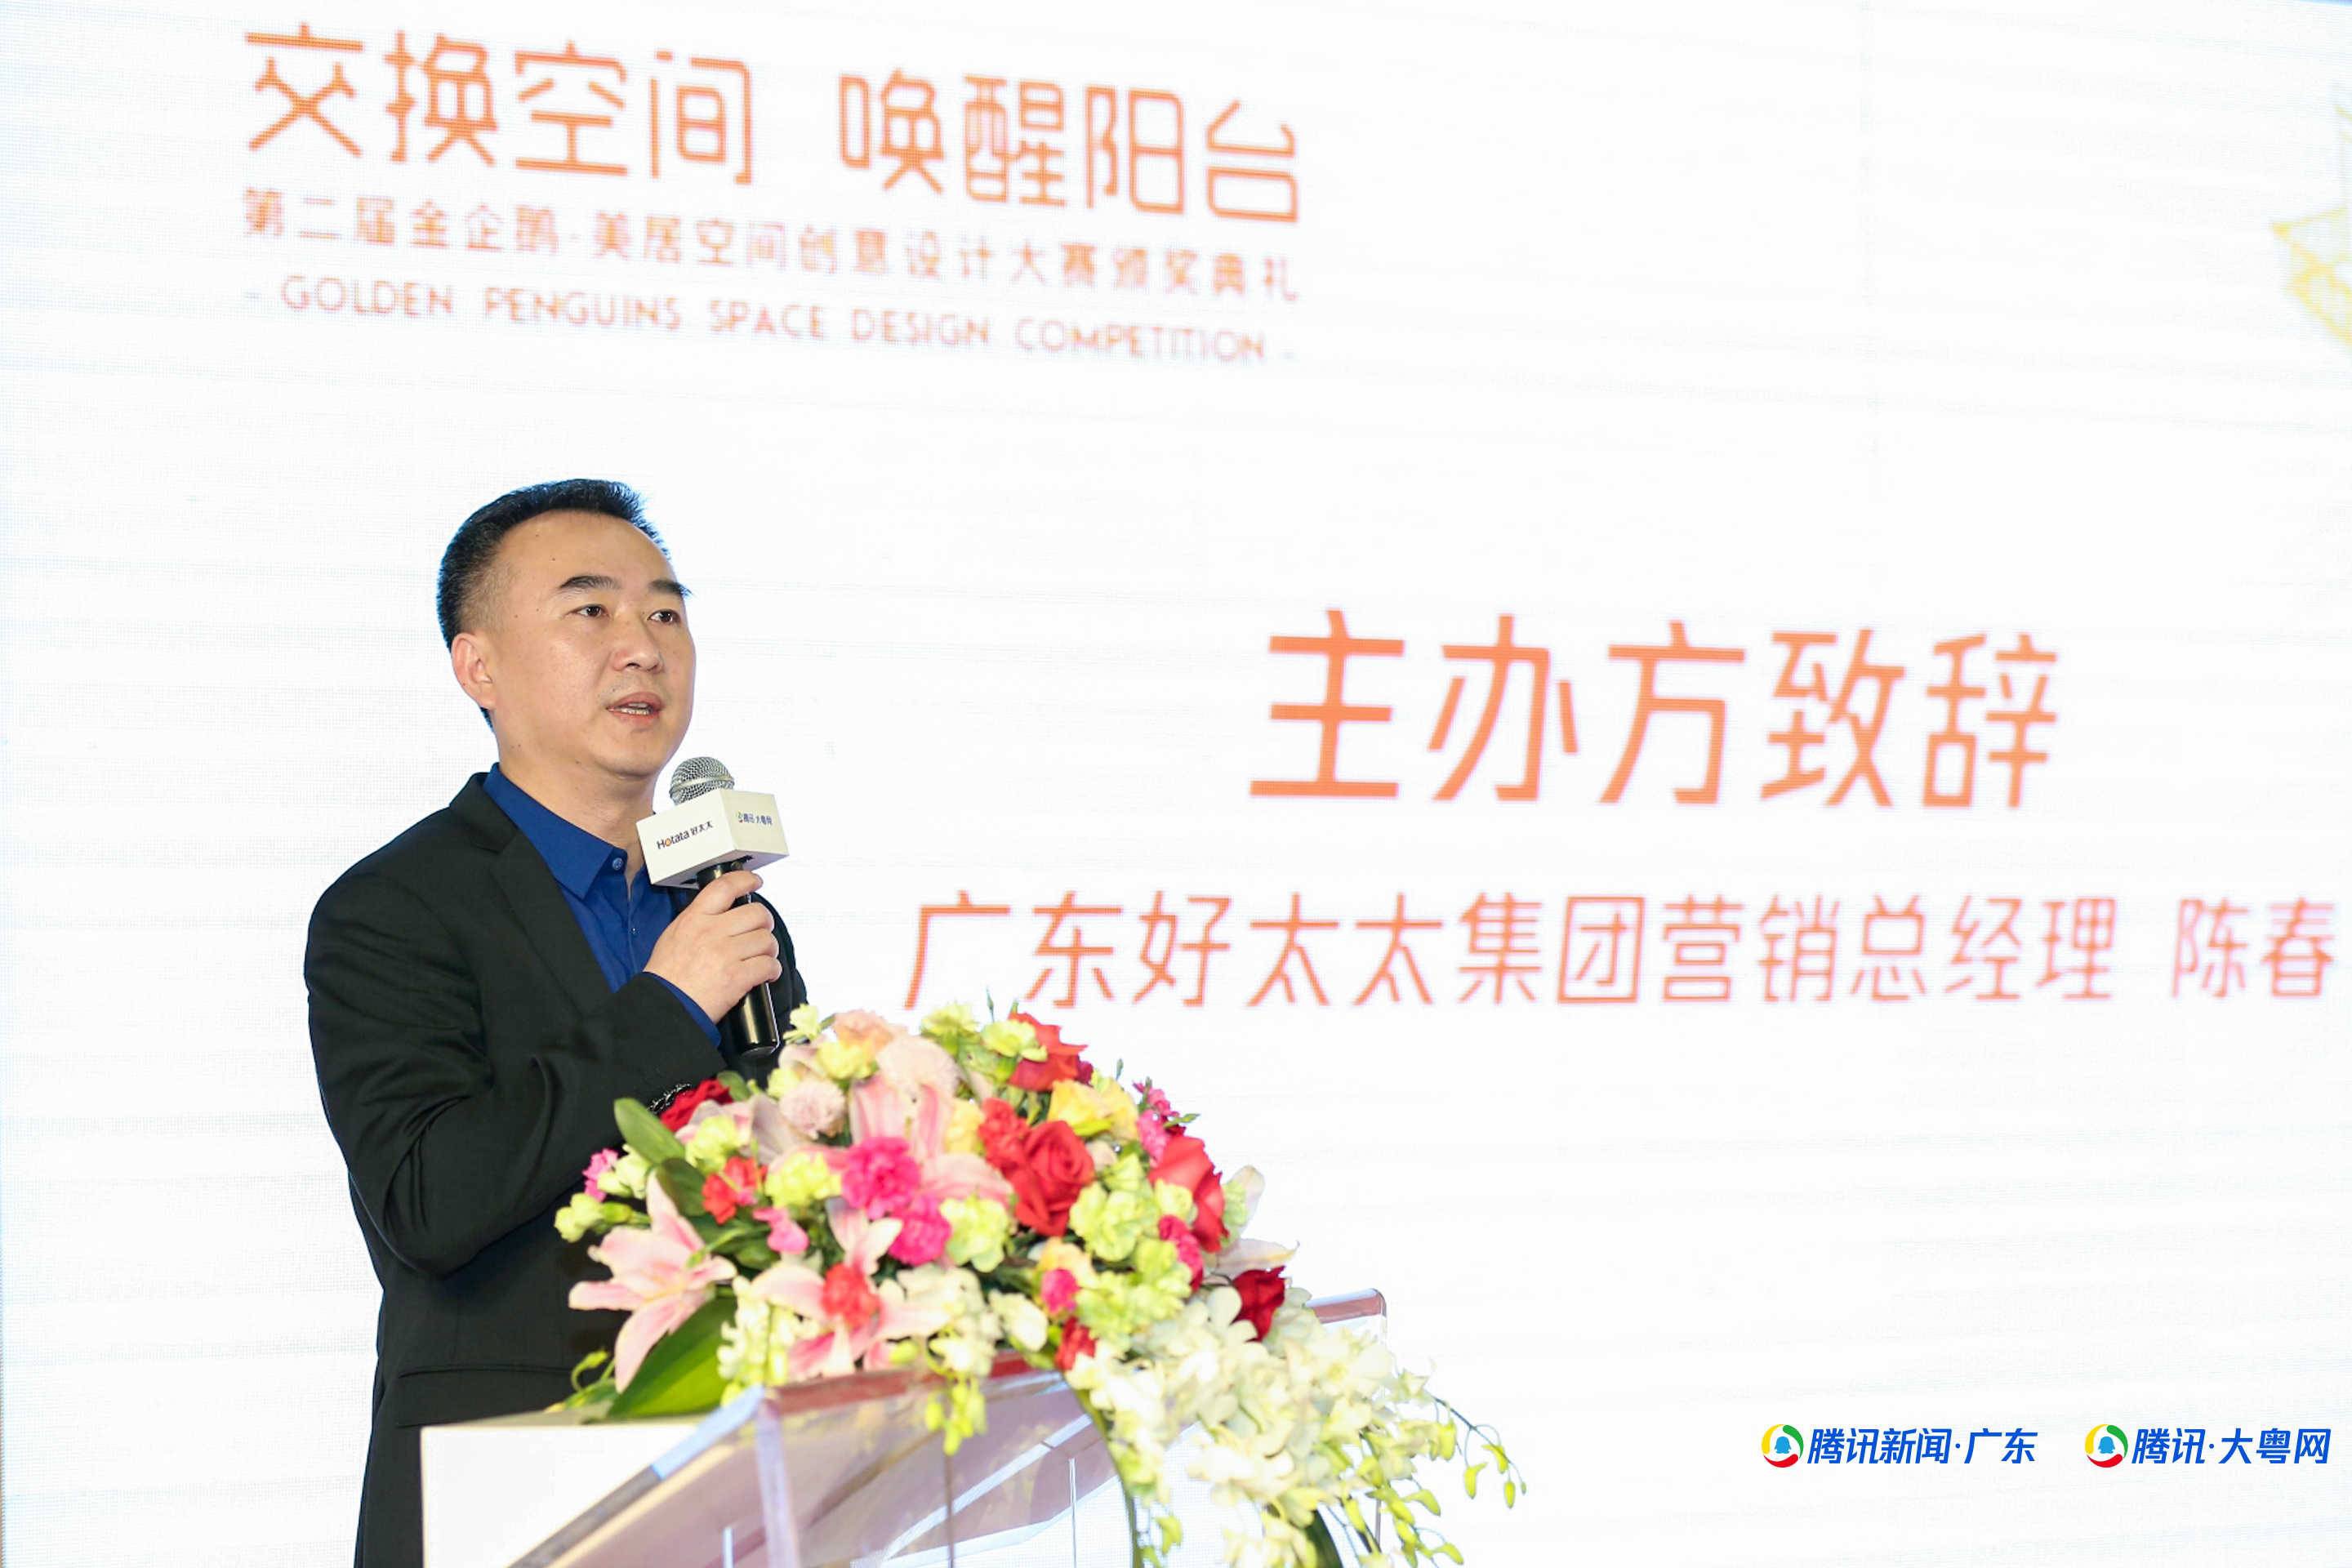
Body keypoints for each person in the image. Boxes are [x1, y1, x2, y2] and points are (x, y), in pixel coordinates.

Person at [303, 479, 809, 1568]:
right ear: (477, 666)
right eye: (591, 610)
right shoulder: (393, 906)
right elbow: (429, 1199)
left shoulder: (723, 907)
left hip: (729, 1488)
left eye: (666, 612)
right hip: (502, 1485)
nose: (643, 647)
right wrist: (668, 1009)